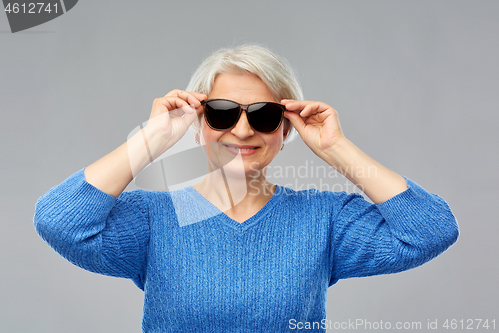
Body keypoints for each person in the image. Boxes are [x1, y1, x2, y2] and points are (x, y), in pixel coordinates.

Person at [34, 44, 459, 332]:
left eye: (264, 115)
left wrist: (336, 148)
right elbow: (59, 221)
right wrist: (153, 139)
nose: (241, 129)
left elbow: (432, 230)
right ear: (199, 125)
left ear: (286, 129)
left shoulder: (323, 219)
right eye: (220, 112)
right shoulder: (153, 219)